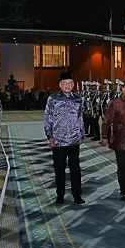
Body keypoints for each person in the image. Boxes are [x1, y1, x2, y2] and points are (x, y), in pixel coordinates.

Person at [44, 72, 86, 204]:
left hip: (74, 140)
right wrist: (50, 136)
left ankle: (77, 195)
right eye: (65, 83)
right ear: (60, 85)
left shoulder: (78, 99)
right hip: (58, 140)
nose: (67, 85)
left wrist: (81, 134)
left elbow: (80, 118)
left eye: (70, 83)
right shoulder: (53, 98)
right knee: (59, 169)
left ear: (73, 85)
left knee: (75, 169)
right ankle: (60, 195)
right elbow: (48, 118)